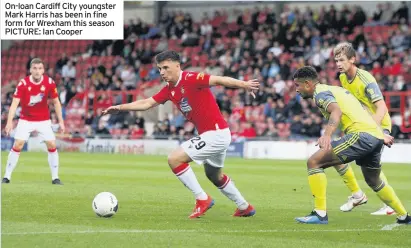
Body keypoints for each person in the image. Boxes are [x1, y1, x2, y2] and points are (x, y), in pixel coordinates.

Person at [103, 50, 256, 218]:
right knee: (214, 175)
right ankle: (244, 207)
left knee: (174, 159)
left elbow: (219, 80)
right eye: (159, 69)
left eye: (165, 68)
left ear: (177, 66)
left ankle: (202, 199)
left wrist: (244, 84)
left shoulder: (191, 78)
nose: (162, 72)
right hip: (215, 134)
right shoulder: (169, 90)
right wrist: (120, 107)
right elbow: (146, 103)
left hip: (216, 134)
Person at [292, 66, 410, 225]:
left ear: (307, 84)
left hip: (361, 135)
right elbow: (360, 112)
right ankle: (404, 216)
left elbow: (336, 111)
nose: (296, 90)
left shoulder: (320, 93)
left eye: (297, 86)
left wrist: (326, 135)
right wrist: (380, 134)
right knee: (374, 180)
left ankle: (320, 214)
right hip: (374, 136)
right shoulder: (335, 90)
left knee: (314, 162)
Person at [334, 42, 395, 215]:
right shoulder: (343, 78)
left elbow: (382, 108)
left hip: (378, 124)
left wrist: (374, 130)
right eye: (336, 60)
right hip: (362, 126)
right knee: (369, 167)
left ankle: (364, 197)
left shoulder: (366, 79)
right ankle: (376, 201)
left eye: (342, 60)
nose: (338, 64)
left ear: (353, 59)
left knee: (364, 166)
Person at [3, 58, 65, 185]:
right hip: (26, 119)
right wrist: (9, 122)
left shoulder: (49, 82)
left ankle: (55, 177)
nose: (37, 71)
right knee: (18, 144)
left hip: (43, 120)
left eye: (40, 68)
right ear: (30, 70)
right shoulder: (23, 84)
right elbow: (14, 103)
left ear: (43, 70)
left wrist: (61, 121)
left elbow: (56, 102)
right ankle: (7, 176)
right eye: (35, 68)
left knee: (52, 145)